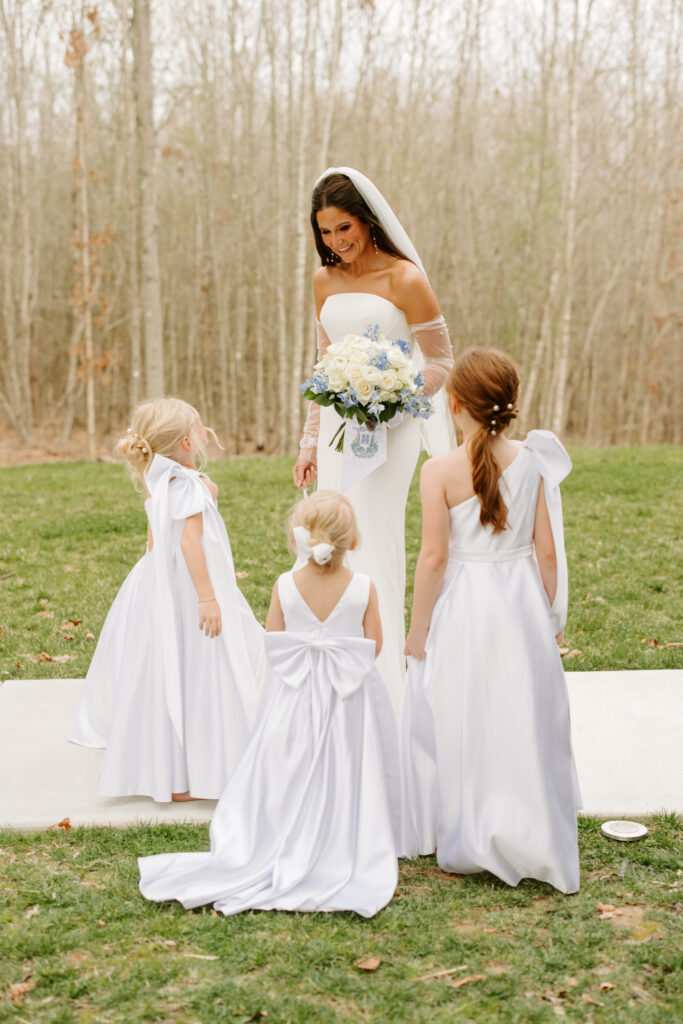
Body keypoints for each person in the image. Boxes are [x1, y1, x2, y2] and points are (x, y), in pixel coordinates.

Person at [138, 491, 400, 917]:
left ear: (299, 536)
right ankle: (343, 832)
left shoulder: (284, 584)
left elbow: (274, 638)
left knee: (287, 763)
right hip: (348, 697)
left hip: (294, 697)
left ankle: (284, 828)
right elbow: (374, 644)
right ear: (353, 541)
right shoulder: (364, 587)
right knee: (348, 762)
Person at [401, 348, 581, 893]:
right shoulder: (534, 460)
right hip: (519, 600)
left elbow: (433, 559)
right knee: (522, 707)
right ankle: (530, 819)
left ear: (454, 405)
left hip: (465, 604)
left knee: (465, 707)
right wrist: (549, 612)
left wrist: (418, 630)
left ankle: (469, 824)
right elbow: (546, 553)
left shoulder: (439, 471)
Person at [292, 167, 455, 715]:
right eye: (326, 234)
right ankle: (332, 669)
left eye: (344, 229)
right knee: (335, 533)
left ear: (366, 220)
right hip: (341, 428)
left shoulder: (405, 278)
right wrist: (310, 442)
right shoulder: (322, 282)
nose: (337, 243)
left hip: (393, 426)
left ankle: (383, 682)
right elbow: (325, 362)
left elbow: (440, 361)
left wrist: (396, 400)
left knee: (376, 536)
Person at [69, 397, 263, 803]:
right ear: (188, 442)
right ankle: (193, 775)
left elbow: (156, 541)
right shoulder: (193, 484)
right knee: (201, 667)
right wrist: (207, 597)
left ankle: (168, 768)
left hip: (159, 580)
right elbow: (191, 541)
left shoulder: (159, 480)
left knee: (163, 670)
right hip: (190, 586)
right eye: (198, 424)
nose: (204, 427)